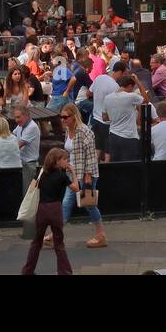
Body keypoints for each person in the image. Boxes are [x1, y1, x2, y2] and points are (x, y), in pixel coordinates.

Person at [57, 102, 108, 249]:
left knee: (88, 204)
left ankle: (100, 235)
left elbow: (91, 156)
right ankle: (57, 235)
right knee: (72, 204)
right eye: (61, 117)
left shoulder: (84, 131)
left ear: (73, 117)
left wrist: (88, 175)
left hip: (84, 174)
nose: (63, 120)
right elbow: (70, 151)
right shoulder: (68, 131)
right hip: (72, 174)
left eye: (65, 117)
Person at [21, 147, 78, 276]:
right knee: (59, 242)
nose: (66, 161)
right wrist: (73, 172)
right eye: (64, 159)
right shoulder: (61, 176)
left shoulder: (41, 173)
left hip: (41, 209)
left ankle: (27, 271)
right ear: (57, 161)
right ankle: (65, 272)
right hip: (55, 209)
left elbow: (33, 187)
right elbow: (76, 188)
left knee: (36, 241)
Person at [104, 71, 150, 162]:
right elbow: (146, 100)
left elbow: (105, 117)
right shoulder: (131, 96)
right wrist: (137, 81)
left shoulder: (107, 98)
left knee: (115, 167)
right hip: (129, 137)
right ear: (130, 86)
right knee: (129, 167)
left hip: (113, 136)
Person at [11, 100, 41, 182]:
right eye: (15, 117)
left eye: (18, 117)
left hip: (29, 165)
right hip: (22, 162)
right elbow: (12, 136)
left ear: (26, 116)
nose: (16, 120)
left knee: (26, 192)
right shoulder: (21, 125)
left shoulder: (32, 127)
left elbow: (18, 145)